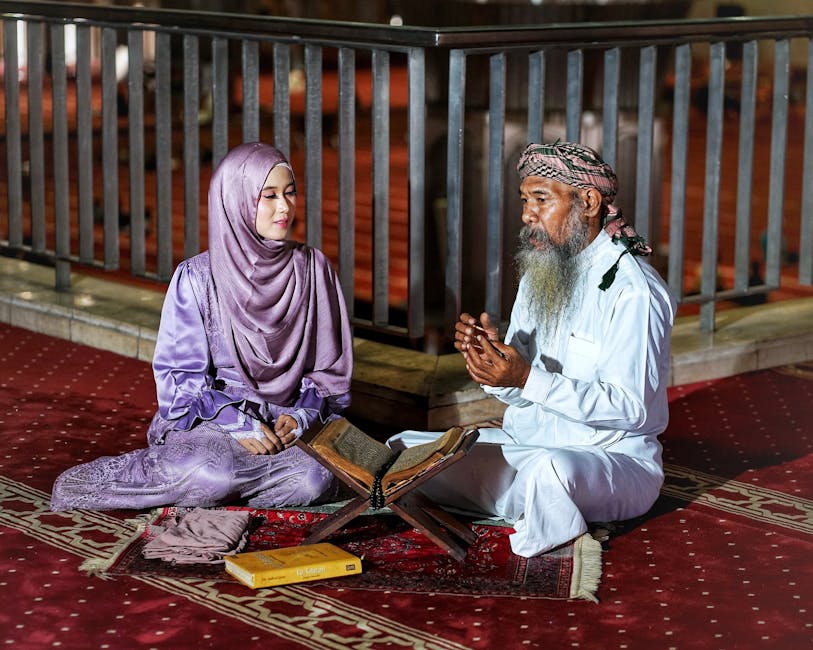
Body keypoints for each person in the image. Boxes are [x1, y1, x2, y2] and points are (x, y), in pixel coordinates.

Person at [387, 141, 676, 558]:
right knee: (404, 451)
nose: (526, 215)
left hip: (607, 461)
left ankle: (522, 507)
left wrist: (526, 378)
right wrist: (492, 364)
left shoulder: (634, 293)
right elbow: (518, 386)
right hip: (526, 446)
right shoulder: (542, 271)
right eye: (524, 200)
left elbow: (632, 409)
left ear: (588, 202)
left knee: (549, 474)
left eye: (541, 199)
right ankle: (517, 503)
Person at [51, 142, 353, 511]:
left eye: (290, 193)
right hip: (215, 417)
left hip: (284, 420)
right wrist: (238, 423)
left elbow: (327, 370)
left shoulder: (313, 269)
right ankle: (217, 485)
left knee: (313, 480)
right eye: (268, 196)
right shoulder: (196, 277)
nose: (285, 207)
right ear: (234, 201)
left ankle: (223, 494)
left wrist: (301, 413)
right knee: (211, 474)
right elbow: (180, 378)